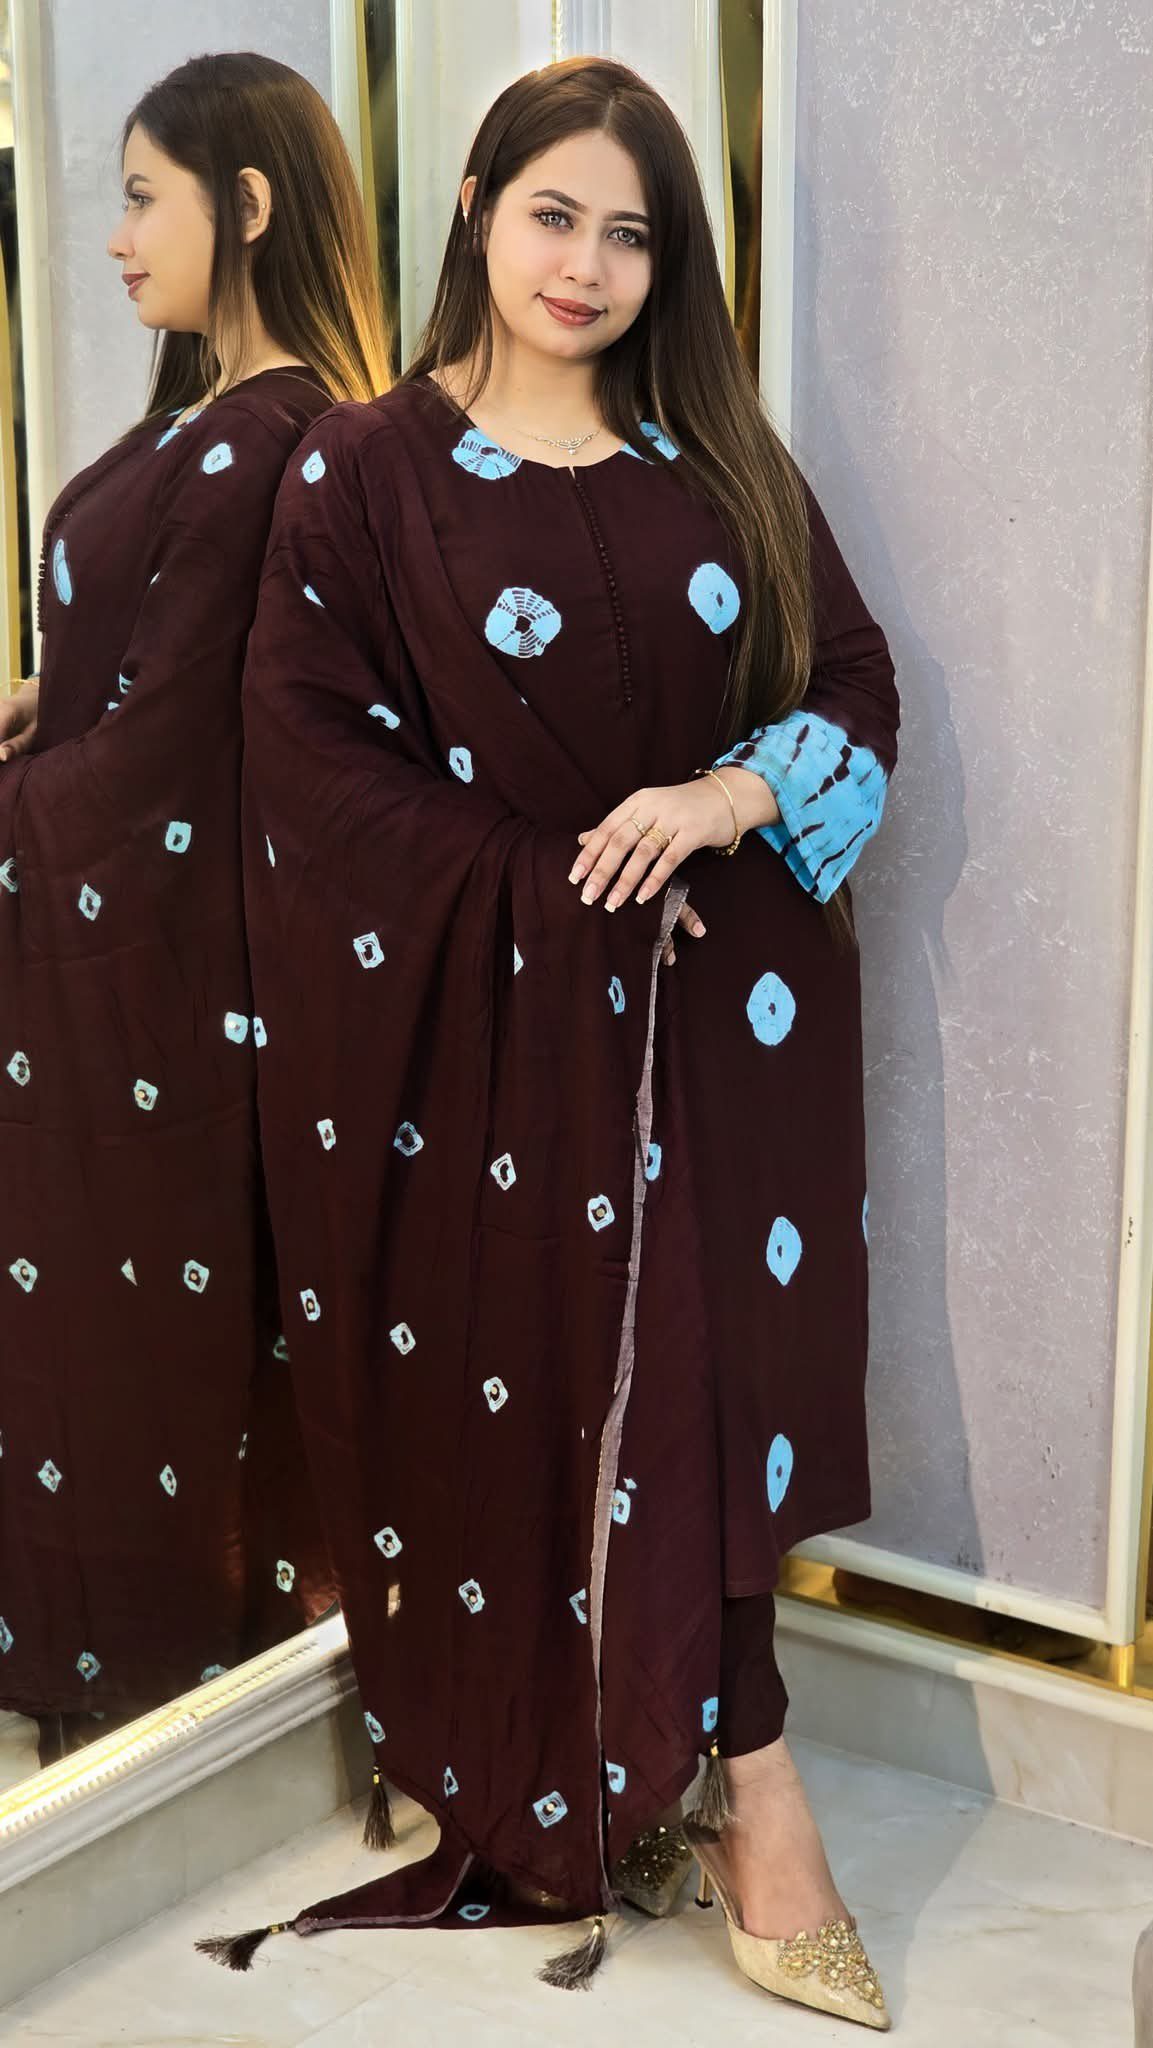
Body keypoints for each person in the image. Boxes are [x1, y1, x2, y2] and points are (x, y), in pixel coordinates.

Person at [225, 57, 897, 2030]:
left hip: (732, 1016)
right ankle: (686, 1774)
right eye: (552, 214)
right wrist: (539, 885)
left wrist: (725, 796)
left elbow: (853, 685)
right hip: (503, 1034)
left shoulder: (716, 461)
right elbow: (303, 751)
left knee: (718, 1371)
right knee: (579, 1376)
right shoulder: (363, 472)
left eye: (630, 233)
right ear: (474, 212)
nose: (586, 264)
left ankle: (725, 1770)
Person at [0, 53, 389, 1748]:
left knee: (139, 1331)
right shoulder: (206, 423)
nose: (115, 237)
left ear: (245, 205)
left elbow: (169, 754)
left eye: (143, 197)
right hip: (127, 959)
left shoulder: (272, 439)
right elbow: (143, 675)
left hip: (167, 973)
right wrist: (50, 699)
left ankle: (154, 1688)